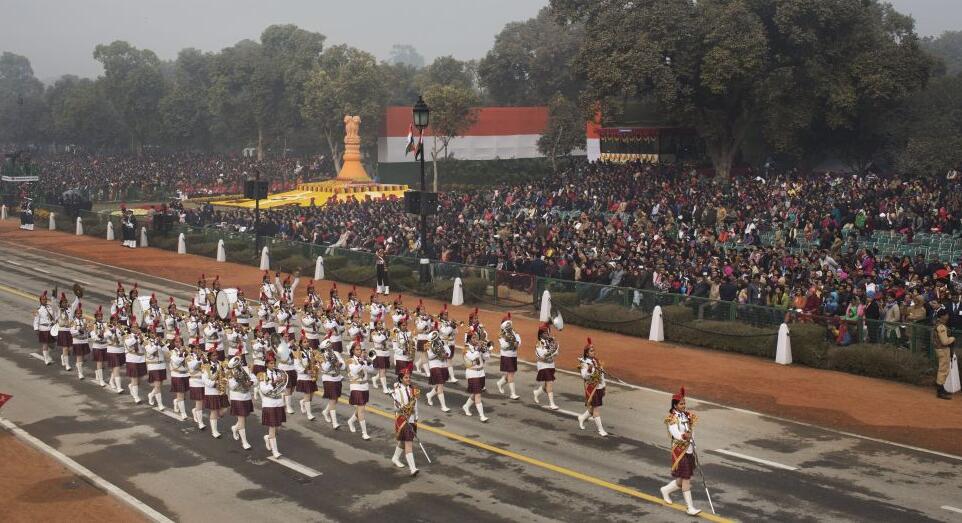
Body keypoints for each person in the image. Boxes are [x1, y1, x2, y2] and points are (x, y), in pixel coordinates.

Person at [659, 387, 702, 516]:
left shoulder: (688, 415)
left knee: (683, 479)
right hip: (679, 451)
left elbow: (692, 431)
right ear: (675, 405)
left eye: (684, 403)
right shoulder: (672, 418)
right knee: (686, 479)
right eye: (681, 404)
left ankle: (665, 490)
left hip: (688, 449)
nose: (684, 406)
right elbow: (676, 434)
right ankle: (690, 508)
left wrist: (692, 442)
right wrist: (685, 436)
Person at [391, 369, 420, 476]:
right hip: (403, 419)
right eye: (406, 378)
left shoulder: (413, 389)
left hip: (412, 418)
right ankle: (413, 468)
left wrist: (416, 416)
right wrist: (400, 407)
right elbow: (395, 408)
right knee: (408, 443)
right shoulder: (397, 391)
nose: (408, 379)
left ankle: (395, 458)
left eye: (409, 377)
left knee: (403, 441)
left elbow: (415, 404)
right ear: (401, 379)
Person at [577, 339, 608, 437]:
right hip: (592, 388)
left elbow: (601, 374)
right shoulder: (584, 363)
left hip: (599, 386)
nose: (593, 352)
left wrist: (604, 386)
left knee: (592, 409)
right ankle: (600, 430)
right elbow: (584, 376)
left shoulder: (596, 360)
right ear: (586, 352)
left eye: (594, 350)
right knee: (596, 410)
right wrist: (589, 370)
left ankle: (581, 418)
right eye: (591, 350)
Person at [259, 351, 286, 458]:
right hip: (269, 403)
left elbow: (282, 385)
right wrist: (273, 383)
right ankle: (275, 451)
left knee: (278, 427)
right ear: (266, 364)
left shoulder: (278, 372)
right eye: (270, 363)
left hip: (278, 401)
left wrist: (282, 381)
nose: (273, 365)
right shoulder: (262, 375)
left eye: (274, 363)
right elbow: (264, 389)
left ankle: (268, 437)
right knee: (273, 426)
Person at [347, 340, 375, 440]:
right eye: (357, 349)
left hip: (365, 386)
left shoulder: (363, 359)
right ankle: (364, 433)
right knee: (362, 409)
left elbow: (371, 370)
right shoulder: (350, 360)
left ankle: (351, 421)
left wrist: (368, 362)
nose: (359, 351)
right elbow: (354, 371)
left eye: (360, 349)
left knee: (360, 409)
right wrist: (362, 362)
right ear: (353, 351)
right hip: (356, 386)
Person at [227, 355, 256, 450]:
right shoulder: (231, 373)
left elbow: (254, 379)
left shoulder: (245, 369)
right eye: (236, 364)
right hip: (237, 397)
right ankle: (244, 442)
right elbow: (232, 386)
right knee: (242, 419)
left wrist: (250, 383)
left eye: (239, 363)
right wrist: (237, 379)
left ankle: (235, 428)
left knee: (244, 418)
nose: (238, 364)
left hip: (246, 396)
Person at [462, 331, 490, 422]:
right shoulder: (466, 348)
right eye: (474, 338)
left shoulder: (478, 347)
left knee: (476, 393)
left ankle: (466, 406)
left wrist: (485, 350)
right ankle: (482, 416)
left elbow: (487, 358)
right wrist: (478, 349)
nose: (476, 340)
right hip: (472, 373)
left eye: (477, 338)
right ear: (469, 339)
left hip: (481, 372)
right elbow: (472, 357)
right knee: (478, 394)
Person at [532, 323, 560, 410]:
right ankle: (552, 404)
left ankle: (537, 393)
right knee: (550, 383)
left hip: (551, 364)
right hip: (543, 365)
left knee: (547, 384)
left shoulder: (550, 342)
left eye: (548, 332)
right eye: (545, 333)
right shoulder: (539, 344)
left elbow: (556, 353)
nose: (547, 334)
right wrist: (552, 350)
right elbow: (543, 356)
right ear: (541, 334)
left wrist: (555, 347)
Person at [320, 337, 347, 429]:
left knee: (336, 399)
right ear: (324, 348)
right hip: (328, 378)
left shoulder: (336, 353)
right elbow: (325, 368)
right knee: (332, 399)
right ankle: (334, 423)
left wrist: (340, 364)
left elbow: (343, 366)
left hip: (337, 378)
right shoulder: (321, 356)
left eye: (330, 345)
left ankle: (325, 412)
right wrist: (330, 361)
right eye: (328, 346)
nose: (330, 347)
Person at [425, 326, 452, 412]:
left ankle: (429, 395)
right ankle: (443, 406)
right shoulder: (428, 344)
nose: (435, 334)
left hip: (443, 364)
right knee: (440, 384)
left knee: (440, 384)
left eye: (436, 333)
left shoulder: (442, 341)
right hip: (434, 364)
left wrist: (446, 354)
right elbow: (429, 356)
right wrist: (438, 353)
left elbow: (448, 351)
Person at [202, 359, 229, 438]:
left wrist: (225, 378)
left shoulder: (220, 364)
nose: (215, 357)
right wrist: (214, 384)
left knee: (224, 409)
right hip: (211, 391)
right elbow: (204, 380)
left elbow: (224, 375)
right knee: (214, 411)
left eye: (216, 355)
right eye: (213, 355)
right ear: (210, 357)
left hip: (221, 391)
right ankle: (214, 431)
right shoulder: (205, 366)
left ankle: (215, 418)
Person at [496, 313, 521, 400]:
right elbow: (503, 346)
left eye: (510, 324)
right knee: (511, 373)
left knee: (512, 372)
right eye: (507, 324)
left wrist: (516, 343)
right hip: (506, 355)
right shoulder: (501, 334)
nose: (509, 326)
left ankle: (500, 383)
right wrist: (510, 342)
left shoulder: (514, 332)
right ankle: (513, 393)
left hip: (513, 354)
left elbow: (519, 340)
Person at [293, 338, 318, 420]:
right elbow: (296, 366)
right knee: (307, 395)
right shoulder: (298, 353)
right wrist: (305, 371)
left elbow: (316, 361)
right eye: (304, 342)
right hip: (303, 377)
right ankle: (309, 414)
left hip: (312, 376)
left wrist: (316, 367)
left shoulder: (312, 351)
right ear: (301, 344)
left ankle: (302, 401)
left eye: (307, 342)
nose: (307, 343)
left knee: (311, 396)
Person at [933, 309, 956, 400]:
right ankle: (940, 391)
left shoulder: (938, 324)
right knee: (943, 370)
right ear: (942, 316)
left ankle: (941, 388)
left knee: (943, 369)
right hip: (942, 349)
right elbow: (945, 341)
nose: (948, 316)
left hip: (940, 349)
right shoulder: (941, 326)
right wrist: (952, 338)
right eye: (946, 315)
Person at [124, 320, 147, 404]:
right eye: (134, 327)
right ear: (131, 328)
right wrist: (136, 337)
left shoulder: (142, 336)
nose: (136, 328)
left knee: (138, 381)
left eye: (137, 327)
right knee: (134, 378)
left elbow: (145, 347)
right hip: (131, 358)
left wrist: (141, 339)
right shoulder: (128, 336)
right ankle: (136, 397)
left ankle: (131, 386)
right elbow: (129, 344)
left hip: (140, 359)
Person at [144, 330, 167, 410]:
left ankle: (151, 395)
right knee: (157, 386)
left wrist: (161, 343)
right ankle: (160, 404)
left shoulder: (160, 342)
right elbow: (150, 351)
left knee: (160, 385)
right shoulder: (147, 342)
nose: (153, 334)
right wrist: (156, 344)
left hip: (162, 365)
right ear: (149, 334)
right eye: (152, 333)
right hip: (153, 365)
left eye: (154, 333)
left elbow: (166, 351)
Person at [369, 314, 392, 394]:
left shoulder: (383, 332)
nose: (381, 325)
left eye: (381, 323)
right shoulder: (373, 333)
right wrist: (385, 334)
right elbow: (378, 340)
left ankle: (375, 379)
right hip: (379, 353)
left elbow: (389, 339)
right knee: (382, 370)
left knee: (385, 370)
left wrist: (387, 334)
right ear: (375, 325)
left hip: (385, 352)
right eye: (379, 324)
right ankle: (385, 388)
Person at [168, 338, 190, 421]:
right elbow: (177, 361)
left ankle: (176, 401)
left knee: (184, 395)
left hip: (185, 374)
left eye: (180, 341)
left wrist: (187, 353)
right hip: (177, 375)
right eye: (176, 342)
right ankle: (183, 413)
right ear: (174, 343)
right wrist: (181, 353)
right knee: (180, 394)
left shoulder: (186, 351)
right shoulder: (172, 352)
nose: (178, 343)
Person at [69, 303, 90, 379]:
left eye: (80, 313)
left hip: (84, 340)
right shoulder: (73, 321)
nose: (79, 314)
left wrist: (87, 328)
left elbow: (87, 330)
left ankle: (78, 365)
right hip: (77, 341)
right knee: (79, 357)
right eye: (78, 313)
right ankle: (80, 373)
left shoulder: (84, 320)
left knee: (85, 357)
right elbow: (72, 332)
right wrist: (80, 330)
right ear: (75, 314)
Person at [32, 291, 55, 365]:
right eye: (43, 299)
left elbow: (53, 315)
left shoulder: (50, 307)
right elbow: (36, 320)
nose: (44, 300)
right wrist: (36, 329)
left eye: (45, 299)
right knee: (45, 344)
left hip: (51, 328)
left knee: (52, 345)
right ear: (40, 300)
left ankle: (47, 355)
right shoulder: (38, 310)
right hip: (43, 328)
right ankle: (46, 359)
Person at [88, 306, 109, 386]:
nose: (100, 317)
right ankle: (101, 380)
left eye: (101, 316)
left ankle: (97, 372)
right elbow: (92, 335)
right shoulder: (93, 325)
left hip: (105, 345)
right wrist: (98, 337)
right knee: (99, 362)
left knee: (103, 364)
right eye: (98, 316)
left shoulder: (105, 324)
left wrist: (104, 335)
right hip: (97, 346)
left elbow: (108, 332)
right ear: (96, 317)